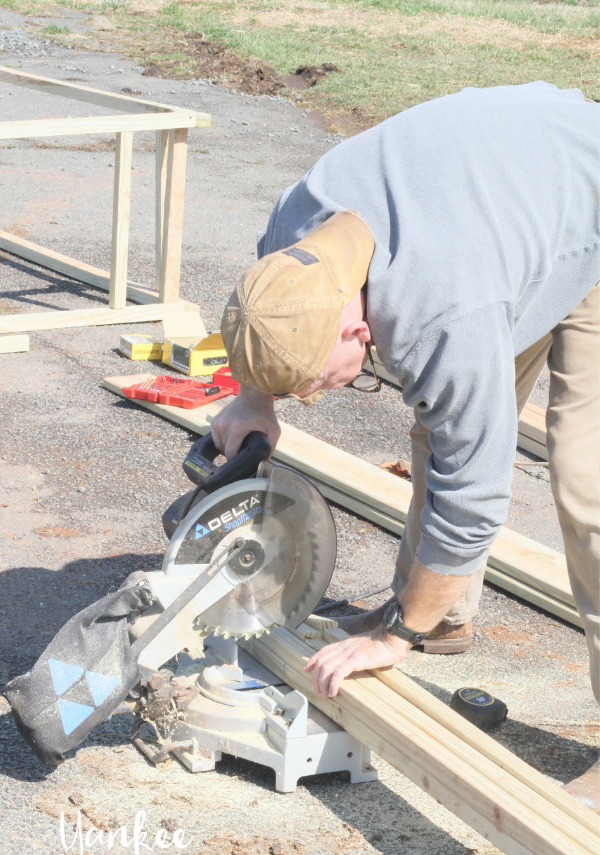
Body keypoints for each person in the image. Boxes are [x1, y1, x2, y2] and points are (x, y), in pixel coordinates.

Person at [211, 82, 600, 810]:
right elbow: (267, 322)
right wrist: (255, 397)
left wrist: (397, 639)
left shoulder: (440, 312)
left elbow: (476, 486)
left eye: (312, 384)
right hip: (506, 209)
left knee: (587, 488)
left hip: (588, 201)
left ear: (360, 330)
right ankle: (443, 613)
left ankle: (422, 619)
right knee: (443, 418)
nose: (311, 398)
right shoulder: (293, 241)